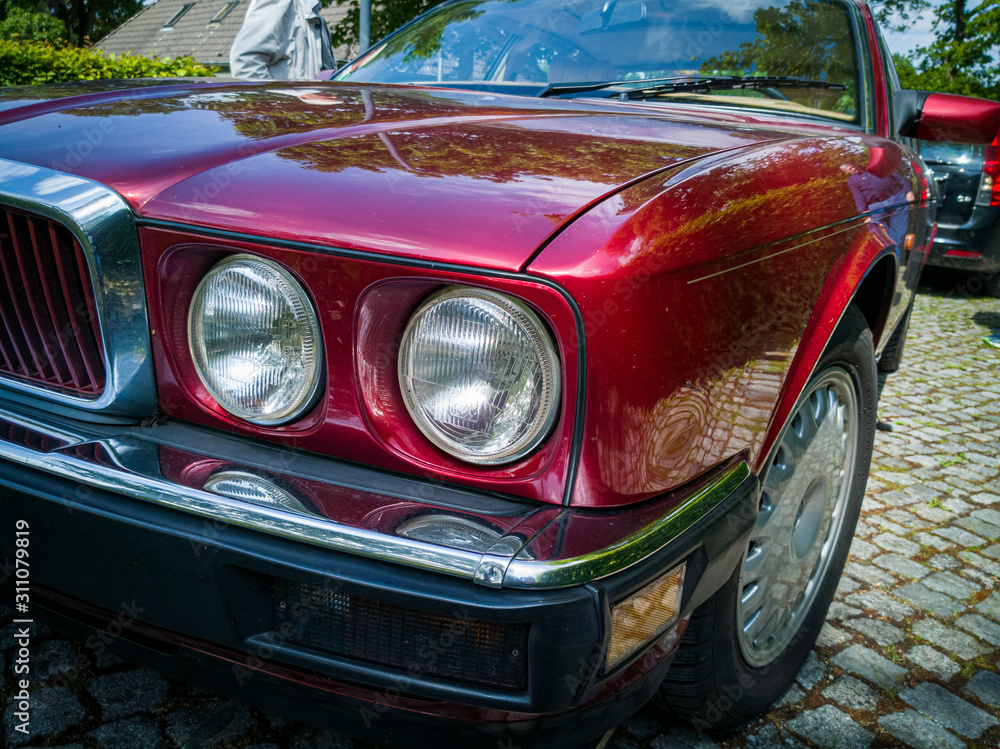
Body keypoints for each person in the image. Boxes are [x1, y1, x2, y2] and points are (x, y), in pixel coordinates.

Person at [230, 0, 337, 80]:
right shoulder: (280, 2)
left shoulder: (312, 12)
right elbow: (245, 63)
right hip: (286, 109)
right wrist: (274, 104)